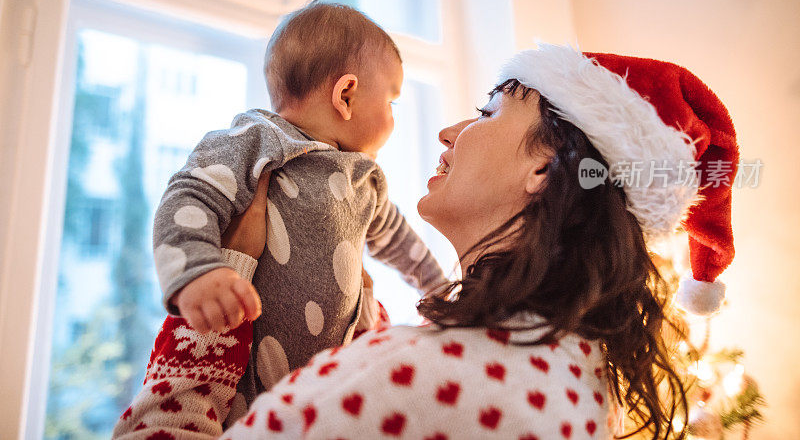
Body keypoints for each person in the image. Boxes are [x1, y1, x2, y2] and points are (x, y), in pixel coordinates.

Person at [123, 44, 740, 439]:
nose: (449, 131)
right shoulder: (583, 381)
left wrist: (211, 321)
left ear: (547, 170)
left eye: (490, 112)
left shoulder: (419, 374)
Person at [112, 1, 448, 438]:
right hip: (244, 381)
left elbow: (399, 240)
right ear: (346, 95)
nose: (393, 118)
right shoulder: (253, 141)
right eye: (391, 101)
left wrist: (438, 289)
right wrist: (198, 272)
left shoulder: (366, 178)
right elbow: (189, 197)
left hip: (326, 391)